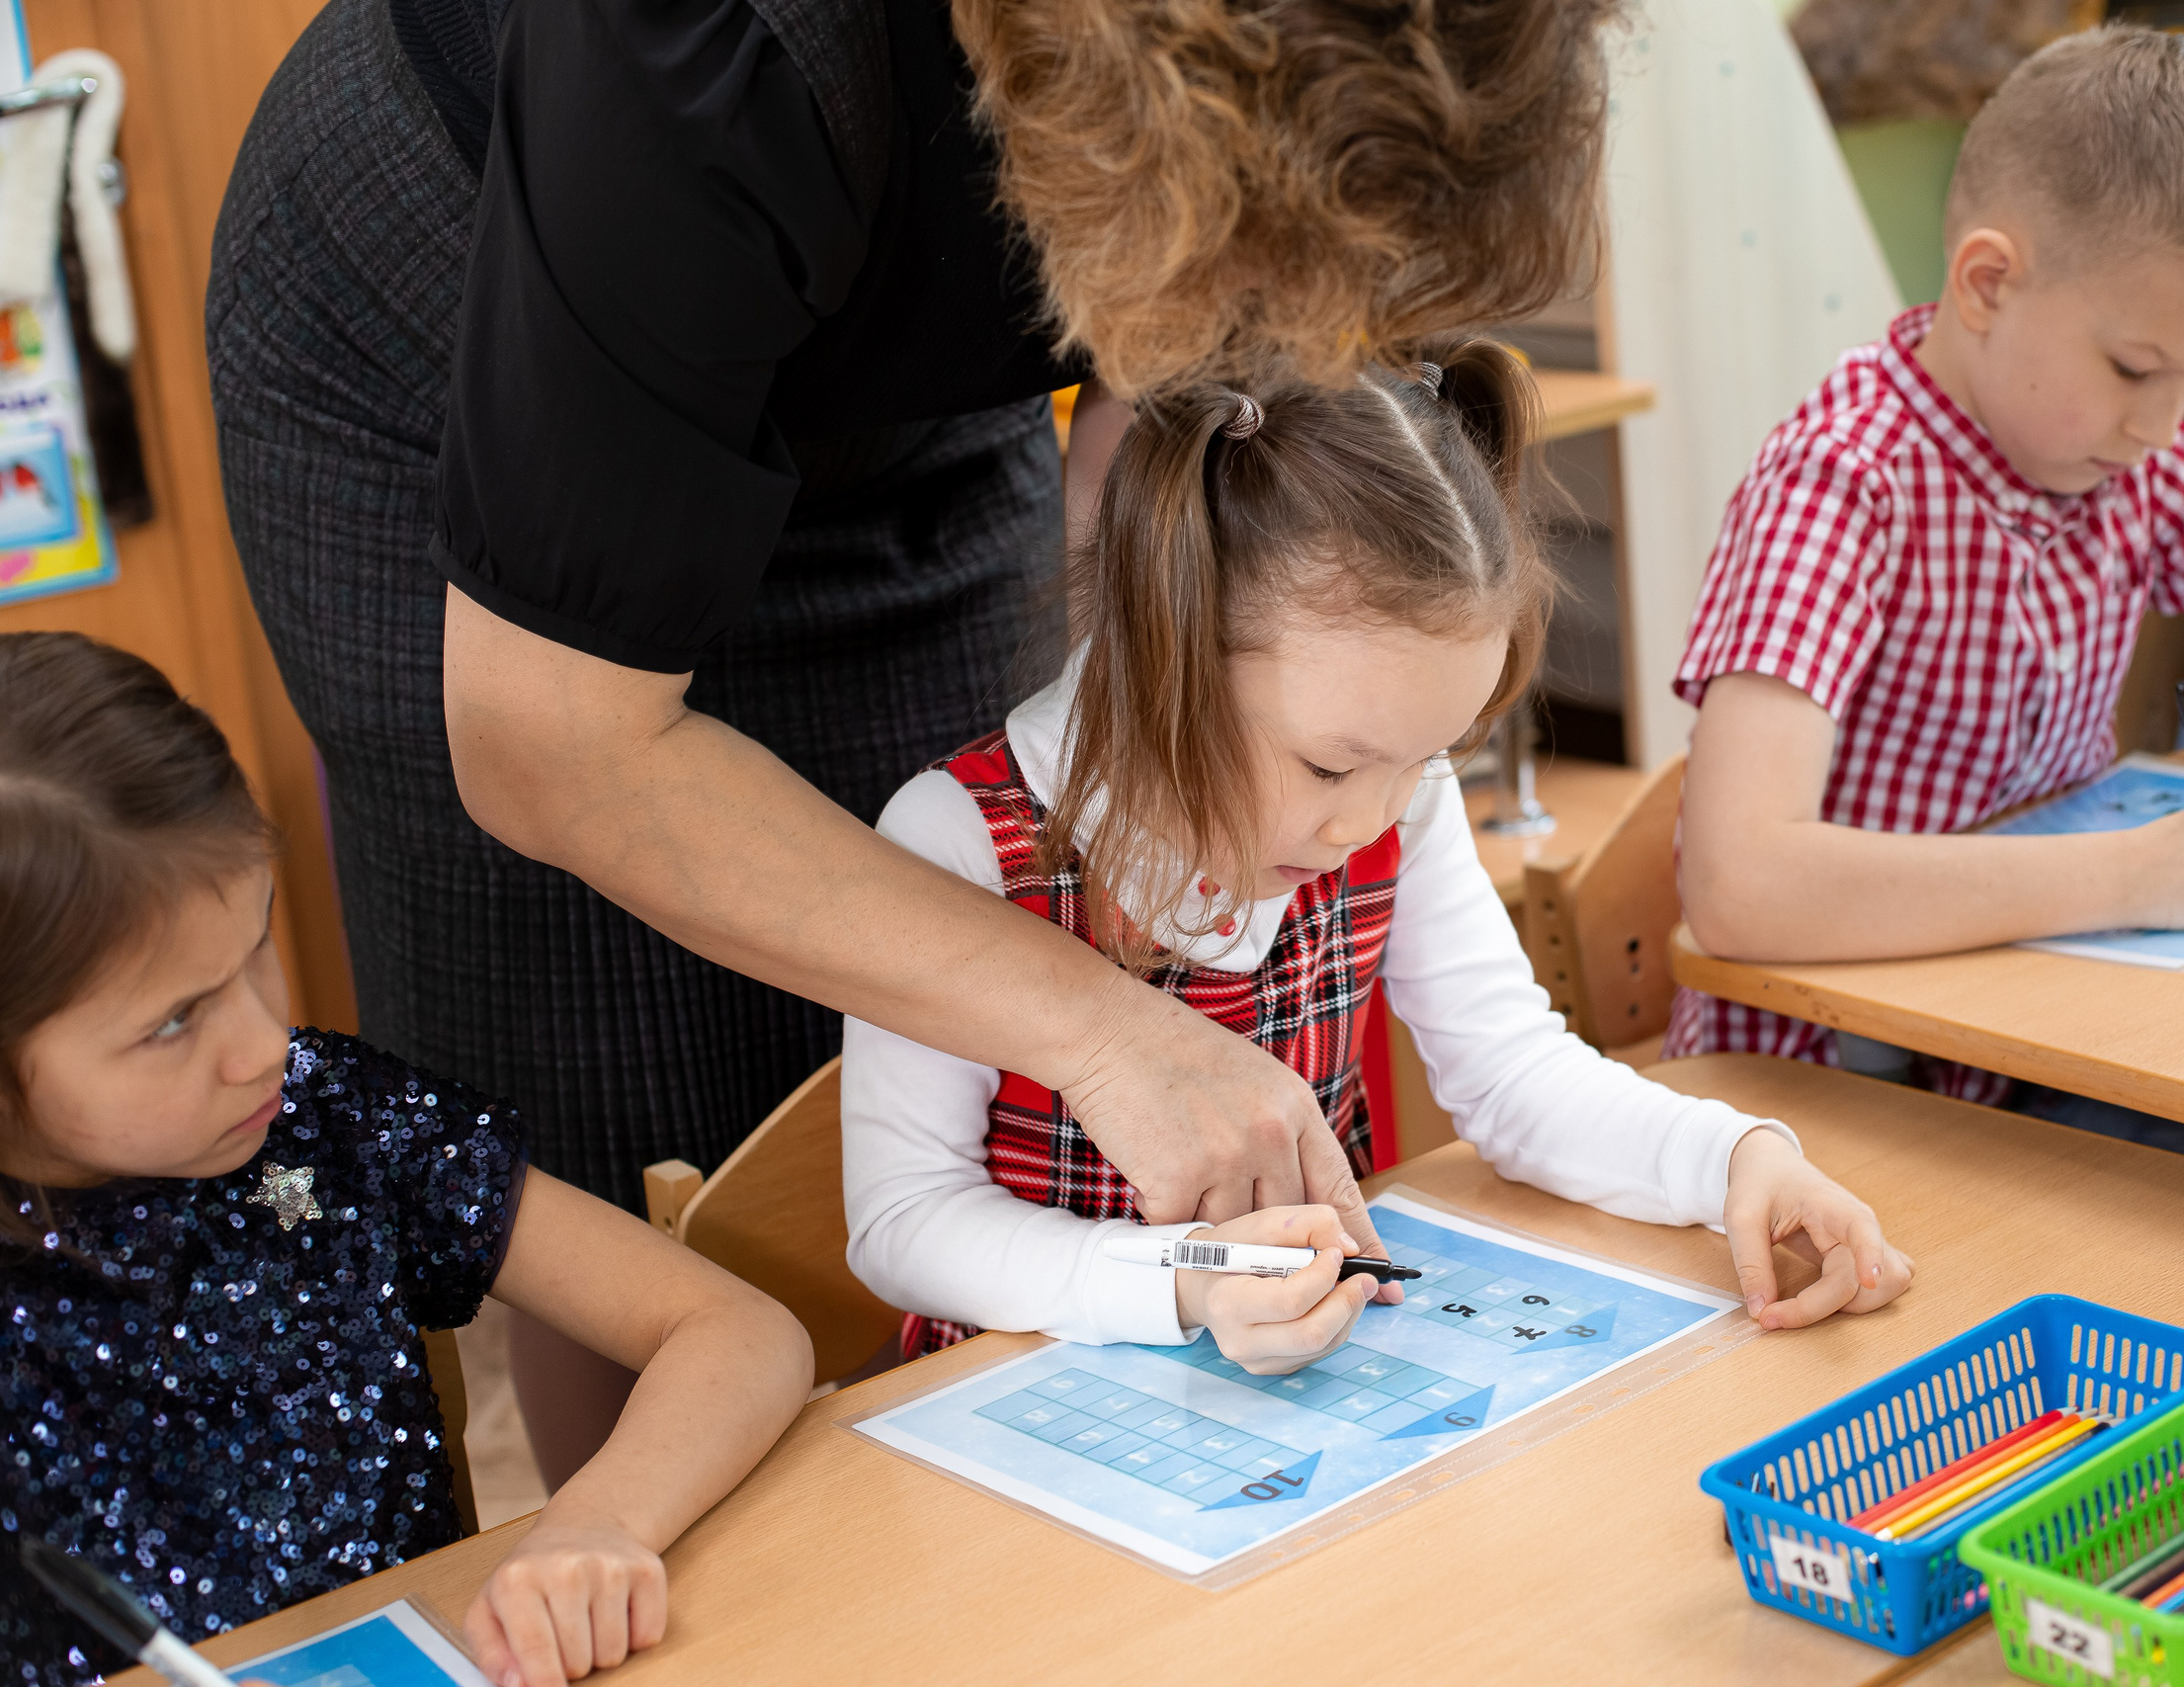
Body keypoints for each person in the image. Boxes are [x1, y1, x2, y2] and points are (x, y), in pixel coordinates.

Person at [207, 0, 1625, 1479]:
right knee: (628, 1107)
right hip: (457, 341)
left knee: (892, 1030)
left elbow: (1209, 361)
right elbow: (554, 748)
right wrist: (1103, 1025)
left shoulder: (1240, 123)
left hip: (897, 351)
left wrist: (1160, 572)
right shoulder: (701, 46)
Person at [840, 344, 1914, 1365]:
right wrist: (1186, 1282)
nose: (1370, 820)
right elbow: (902, 1224)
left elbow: (1512, 1078)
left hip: (1309, 1402)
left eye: (1425, 759)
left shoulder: (1393, 790)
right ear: (1160, 650)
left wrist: (1731, 1158)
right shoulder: (960, 843)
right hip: (1019, 1434)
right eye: (1326, 768)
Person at [1662, 27, 2184, 1169]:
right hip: (1826, 1107)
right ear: (1986, 284)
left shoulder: (2136, 463)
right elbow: (1739, 885)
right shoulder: (1844, 481)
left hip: (2037, 1049)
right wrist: (2139, 874)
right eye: (2132, 369)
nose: (2165, 426)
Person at [0, 633, 812, 1687]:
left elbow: (739, 1332)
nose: (260, 1046)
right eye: (170, 1024)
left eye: (256, 945)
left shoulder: (329, 1119)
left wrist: (596, 1523)